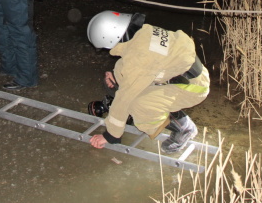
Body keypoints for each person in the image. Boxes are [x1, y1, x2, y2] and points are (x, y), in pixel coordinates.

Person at [86, 11, 210, 154]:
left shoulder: (139, 59)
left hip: (193, 88)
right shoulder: (143, 34)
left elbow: (124, 99)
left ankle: (183, 127)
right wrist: (117, 76)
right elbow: (136, 66)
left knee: (137, 105)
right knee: (121, 74)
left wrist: (110, 135)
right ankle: (154, 106)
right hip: (183, 76)